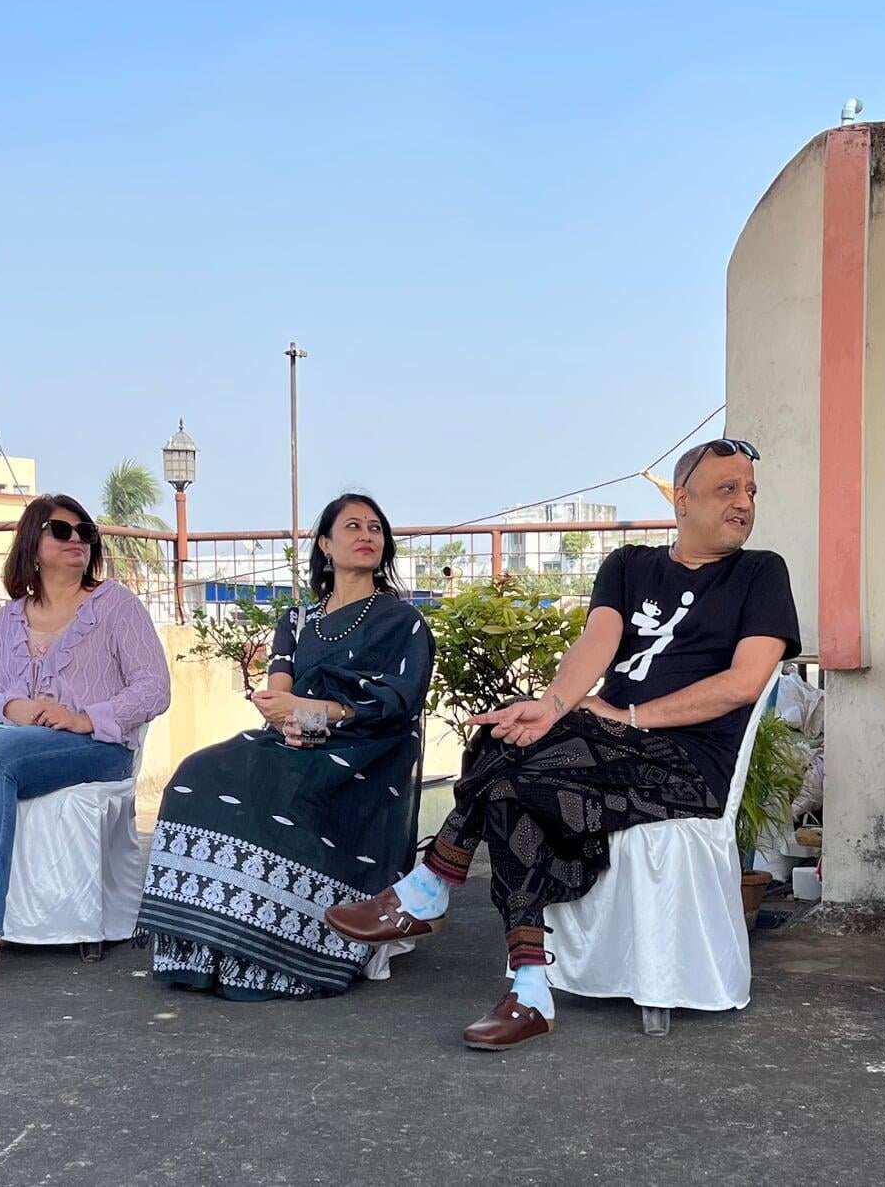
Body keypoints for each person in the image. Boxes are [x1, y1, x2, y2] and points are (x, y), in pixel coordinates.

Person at [326, 439, 799, 1049]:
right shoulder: (628, 565)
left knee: (506, 769)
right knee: (506, 748)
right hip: (610, 745)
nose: (744, 503)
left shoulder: (761, 572)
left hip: (687, 766)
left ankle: (449, 903)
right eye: (727, 489)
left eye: (750, 491)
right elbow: (596, 645)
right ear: (681, 500)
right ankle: (524, 984)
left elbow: (743, 683)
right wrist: (551, 707)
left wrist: (629, 717)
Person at [136, 493, 433, 1001]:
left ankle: (288, 948)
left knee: (282, 785)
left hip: (368, 746)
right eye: (353, 526)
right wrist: (292, 717)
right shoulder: (298, 620)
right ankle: (208, 943)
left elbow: (400, 700)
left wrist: (313, 714)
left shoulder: (402, 621)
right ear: (325, 545)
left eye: (375, 528)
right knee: (196, 776)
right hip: (299, 735)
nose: (367, 535)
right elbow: (279, 696)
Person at [0, 494, 170, 988]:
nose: (77, 540)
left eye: (85, 532)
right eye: (61, 530)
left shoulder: (116, 606)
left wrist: (83, 718)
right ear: (32, 544)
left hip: (98, 746)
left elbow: (154, 687)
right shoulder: (7, 619)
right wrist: (12, 707)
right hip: (18, 738)